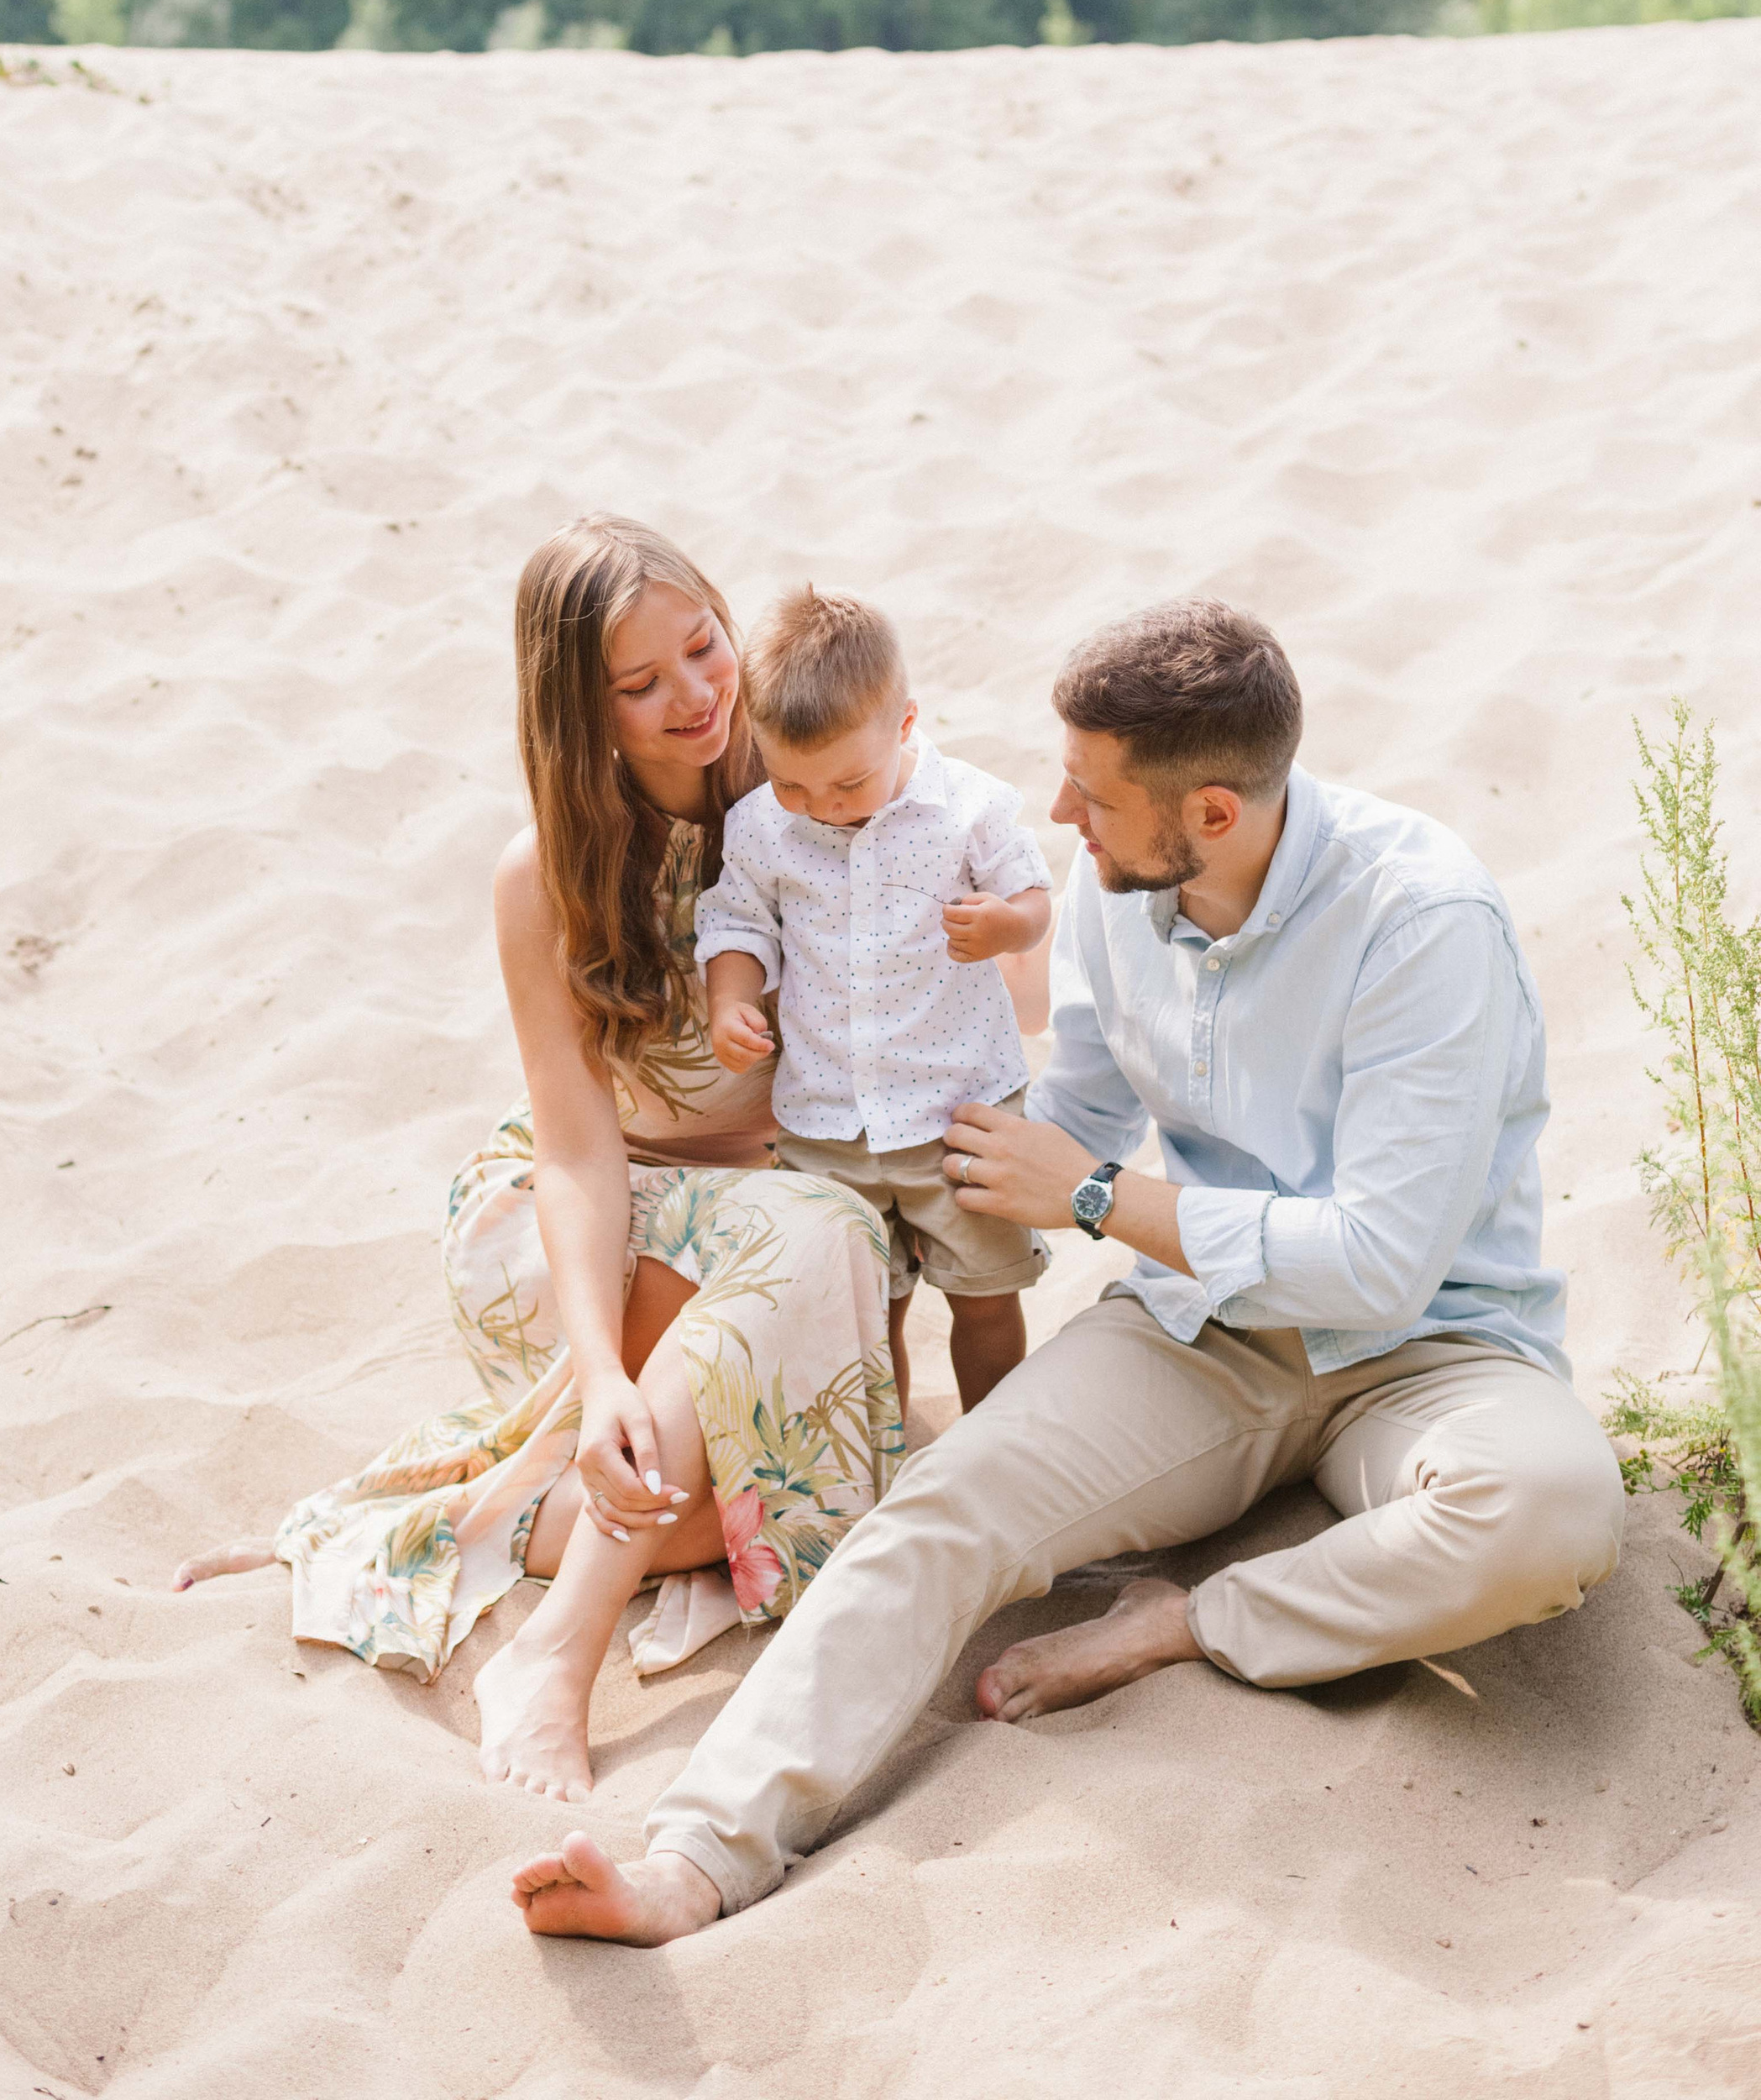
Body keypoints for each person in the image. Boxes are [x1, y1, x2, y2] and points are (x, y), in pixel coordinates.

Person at [510, 597, 1628, 1940]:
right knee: (942, 1507)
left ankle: (1193, 1621)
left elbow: (1379, 1267)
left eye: (1090, 794)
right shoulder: (1117, 894)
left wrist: (1096, 1195)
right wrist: (864, 1173)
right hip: (1202, 1332)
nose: (1057, 812)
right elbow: (1075, 1117)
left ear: (1209, 813)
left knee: (1553, 1511)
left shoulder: (1422, 920)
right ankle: (700, 1855)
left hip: (1437, 1353)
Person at [175, 515, 901, 1804]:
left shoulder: (809, 781)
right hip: (588, 1216)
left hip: (777, 1208)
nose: (697, 694)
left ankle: (465, 1520)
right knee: (804, 1259)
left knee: (738, 1494)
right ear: (584, 715)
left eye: (704, 645)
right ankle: (557, 1656)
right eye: (642, 684)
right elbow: (573, 1147)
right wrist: (608, 1366)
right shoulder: (545, 878)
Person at [700, 583, 1054, 1415]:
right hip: (829, 1117)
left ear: (903, 724)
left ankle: (989, 1445)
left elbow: (1035, 898)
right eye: (793, 784)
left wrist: (1004, 926)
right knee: (865, 1309)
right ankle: (883, 1446)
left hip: (958, 1110)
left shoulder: (970, 809)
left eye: (848, 784)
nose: (821, 807)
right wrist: (731, 1002)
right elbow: (736, 923)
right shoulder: (759, 826)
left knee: (986, 1297)